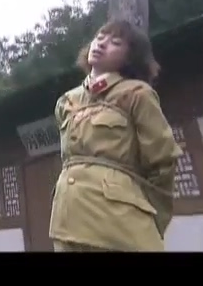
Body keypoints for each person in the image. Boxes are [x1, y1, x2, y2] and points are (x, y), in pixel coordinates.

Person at [49, 19, 182, 252]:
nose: (101, 43)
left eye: (115, 42)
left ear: (130, 56)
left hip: (118, 220)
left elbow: (162, 162)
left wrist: (148, 215)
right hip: (67, 220)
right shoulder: (67, 101)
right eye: (99, 37)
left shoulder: (136, 93)